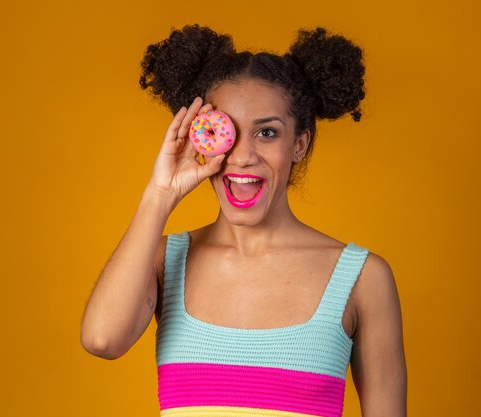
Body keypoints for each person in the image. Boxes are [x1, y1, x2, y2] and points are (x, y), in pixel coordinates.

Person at [81, 24, 407, 417]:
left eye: (267, 133)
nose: (241, 156)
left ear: (299, 144)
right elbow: (102, 339)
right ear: (200, 138)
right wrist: (160, 194)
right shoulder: (164, 261)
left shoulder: (363, 278)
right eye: (223, 131)